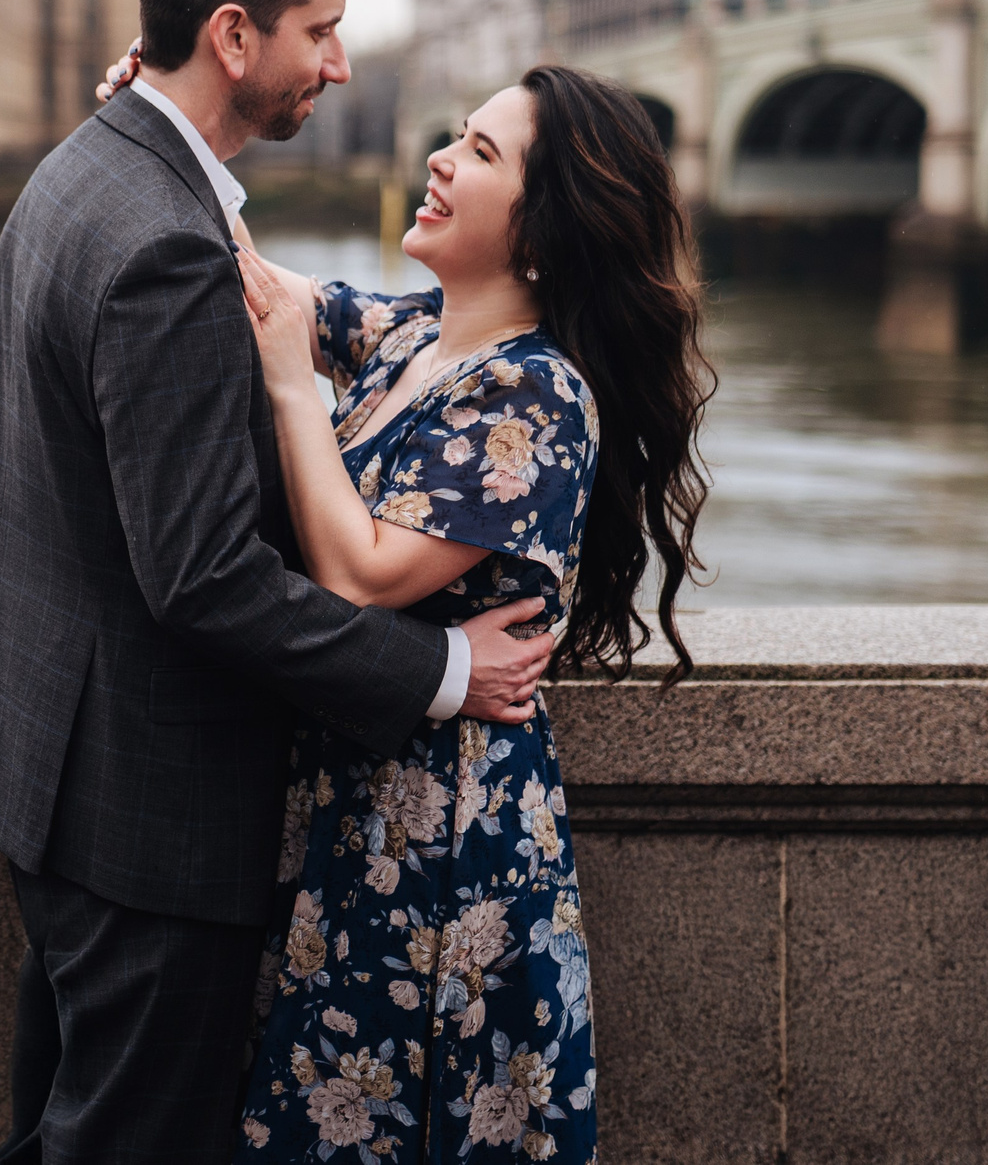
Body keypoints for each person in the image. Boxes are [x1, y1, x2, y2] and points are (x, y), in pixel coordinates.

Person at [0, 0, 559, 1165]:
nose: (339, 64)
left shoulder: (89, 172)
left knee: (63, 1130)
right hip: (146, 817)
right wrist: (445, 668)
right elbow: (205, 574)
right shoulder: (162, 236)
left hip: (53, 772)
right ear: (234, 34)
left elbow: (273, 297)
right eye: (319, 28)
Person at [227, 64, 712, 1164]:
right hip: (351, 816)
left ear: (542, 236)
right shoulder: (411, 338)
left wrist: (294, 391)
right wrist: (160, 110)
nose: (439, 161)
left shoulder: (536, 393)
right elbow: (255, 284)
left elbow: (357, 573)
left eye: (480, 155)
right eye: (456, 137)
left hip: (441, 847)